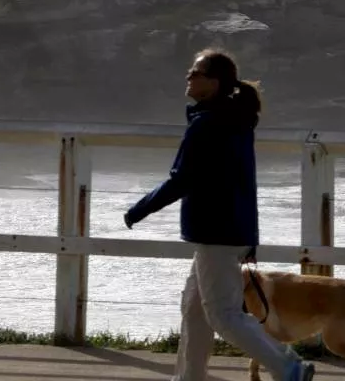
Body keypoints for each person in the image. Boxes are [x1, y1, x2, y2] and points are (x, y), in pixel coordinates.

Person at [124, 49, 316, 381]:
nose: (188, 76)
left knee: (224, 316)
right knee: (195, 310)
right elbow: (245, 183)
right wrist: (250, 236)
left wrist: (138, 210)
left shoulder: (209, 124)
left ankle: (289, 367)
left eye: (195, 72)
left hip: (216, 232)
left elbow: (182, 179)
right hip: (229, 230)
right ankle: (189, 377)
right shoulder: (235, 120)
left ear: (214, 83)